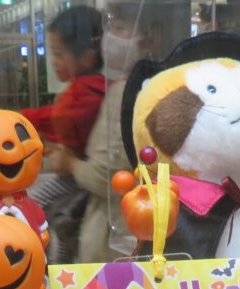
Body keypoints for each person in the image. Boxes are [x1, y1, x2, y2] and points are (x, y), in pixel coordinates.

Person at [63, 2, 165, 264]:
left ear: (151, 37)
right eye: (110, 27)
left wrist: (70, 163)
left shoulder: (126, 93)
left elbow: (106, 178)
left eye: (120, 28)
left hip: (117, 236)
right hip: (147, 229)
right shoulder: (160, 84)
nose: (109, 38)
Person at [22, 6, 107, 264]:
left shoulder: (85, 92)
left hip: (78, 177)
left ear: (87, 57)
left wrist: (23, 119)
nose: (54, 62)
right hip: (77, 172)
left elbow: (59, 117)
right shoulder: (92, 87)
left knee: (33, 207)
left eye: (59, 54)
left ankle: (47, 266)